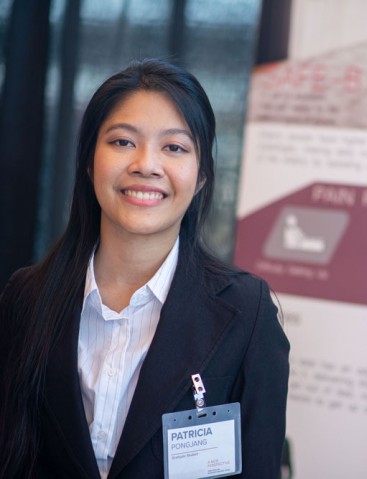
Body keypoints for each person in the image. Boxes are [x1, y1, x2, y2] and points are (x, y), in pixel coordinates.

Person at [0, 59, 290, 478]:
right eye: (122, 142)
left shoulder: (248, 314)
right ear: (88, 162)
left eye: (174, 147)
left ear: (202, 175)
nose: (146, 165)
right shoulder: (25, 299)